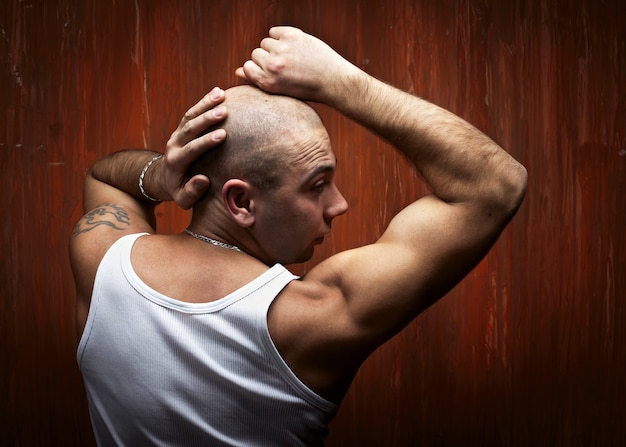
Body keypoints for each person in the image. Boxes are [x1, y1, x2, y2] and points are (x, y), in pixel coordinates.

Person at [70, 26, 527, 446]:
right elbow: (496, 185)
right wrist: (338, 81)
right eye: (316, 185)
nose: (339, 204)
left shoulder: (103, 259)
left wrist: (162, 177)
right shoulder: (311, 319)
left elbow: (105, 178)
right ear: (242, 203)